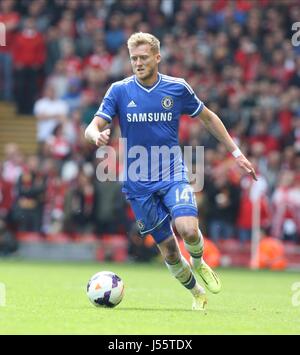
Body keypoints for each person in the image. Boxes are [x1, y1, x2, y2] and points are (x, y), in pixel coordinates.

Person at [85, 32, 257, 311]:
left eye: (143, 58)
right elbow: (92, 125)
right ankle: (197, 293)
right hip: (137, 183)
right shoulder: (119, 90)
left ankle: (200, 263)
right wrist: (96, 135)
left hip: (171, 172)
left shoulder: (177, 88)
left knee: (188, 229)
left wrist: (236, 153)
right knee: (169, 250)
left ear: (157, 57)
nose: (138, 63)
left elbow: (208, 118)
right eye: (133, 59)